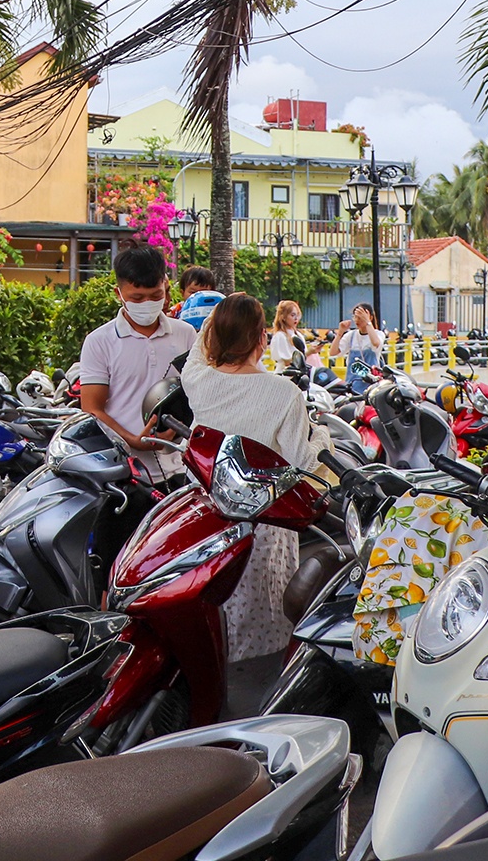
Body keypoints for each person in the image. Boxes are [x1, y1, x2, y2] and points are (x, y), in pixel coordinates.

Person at [182, 293, 331, 662]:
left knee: (218, 606)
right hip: (263, 521)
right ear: (262, 338)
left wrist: (217, 319)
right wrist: (323, 436)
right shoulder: (283, 392)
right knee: (263, 613)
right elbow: (303, 461)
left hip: (209, 518)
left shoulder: (198, 380)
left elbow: (198, 350)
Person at [77, 245, 197, 482]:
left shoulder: (185, 334)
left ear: (166, 287)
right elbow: (92, 408)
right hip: (124, 472)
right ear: (118, 294)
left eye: (155, 296)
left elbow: (199, 393)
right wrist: (131, 440)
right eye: (137, 298)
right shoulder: (99, 341)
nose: (147, 303)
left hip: (180, 469)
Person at [336, 303, 385, 393]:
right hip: (352, 383)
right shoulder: (351, 335)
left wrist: (368, 322)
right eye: (355, 317)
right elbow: (333, 352)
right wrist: (340, 333)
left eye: (360, 317)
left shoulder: (378, 334)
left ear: (370, 317)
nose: (357, 320)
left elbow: (375, 343)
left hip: (371, 385)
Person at [175, 266, 225, 331]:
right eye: (193, 292)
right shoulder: (177, 310)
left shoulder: (216, 309)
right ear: (182, 293)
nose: (197, 297)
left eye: (203, 292)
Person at [268, 300, 303, 369]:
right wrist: (309, 352)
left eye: (297, 315)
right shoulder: (280, 336)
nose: (296, 318)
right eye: (292, 315)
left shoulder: (298, 335)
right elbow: (287, 362)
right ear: (283, 317)